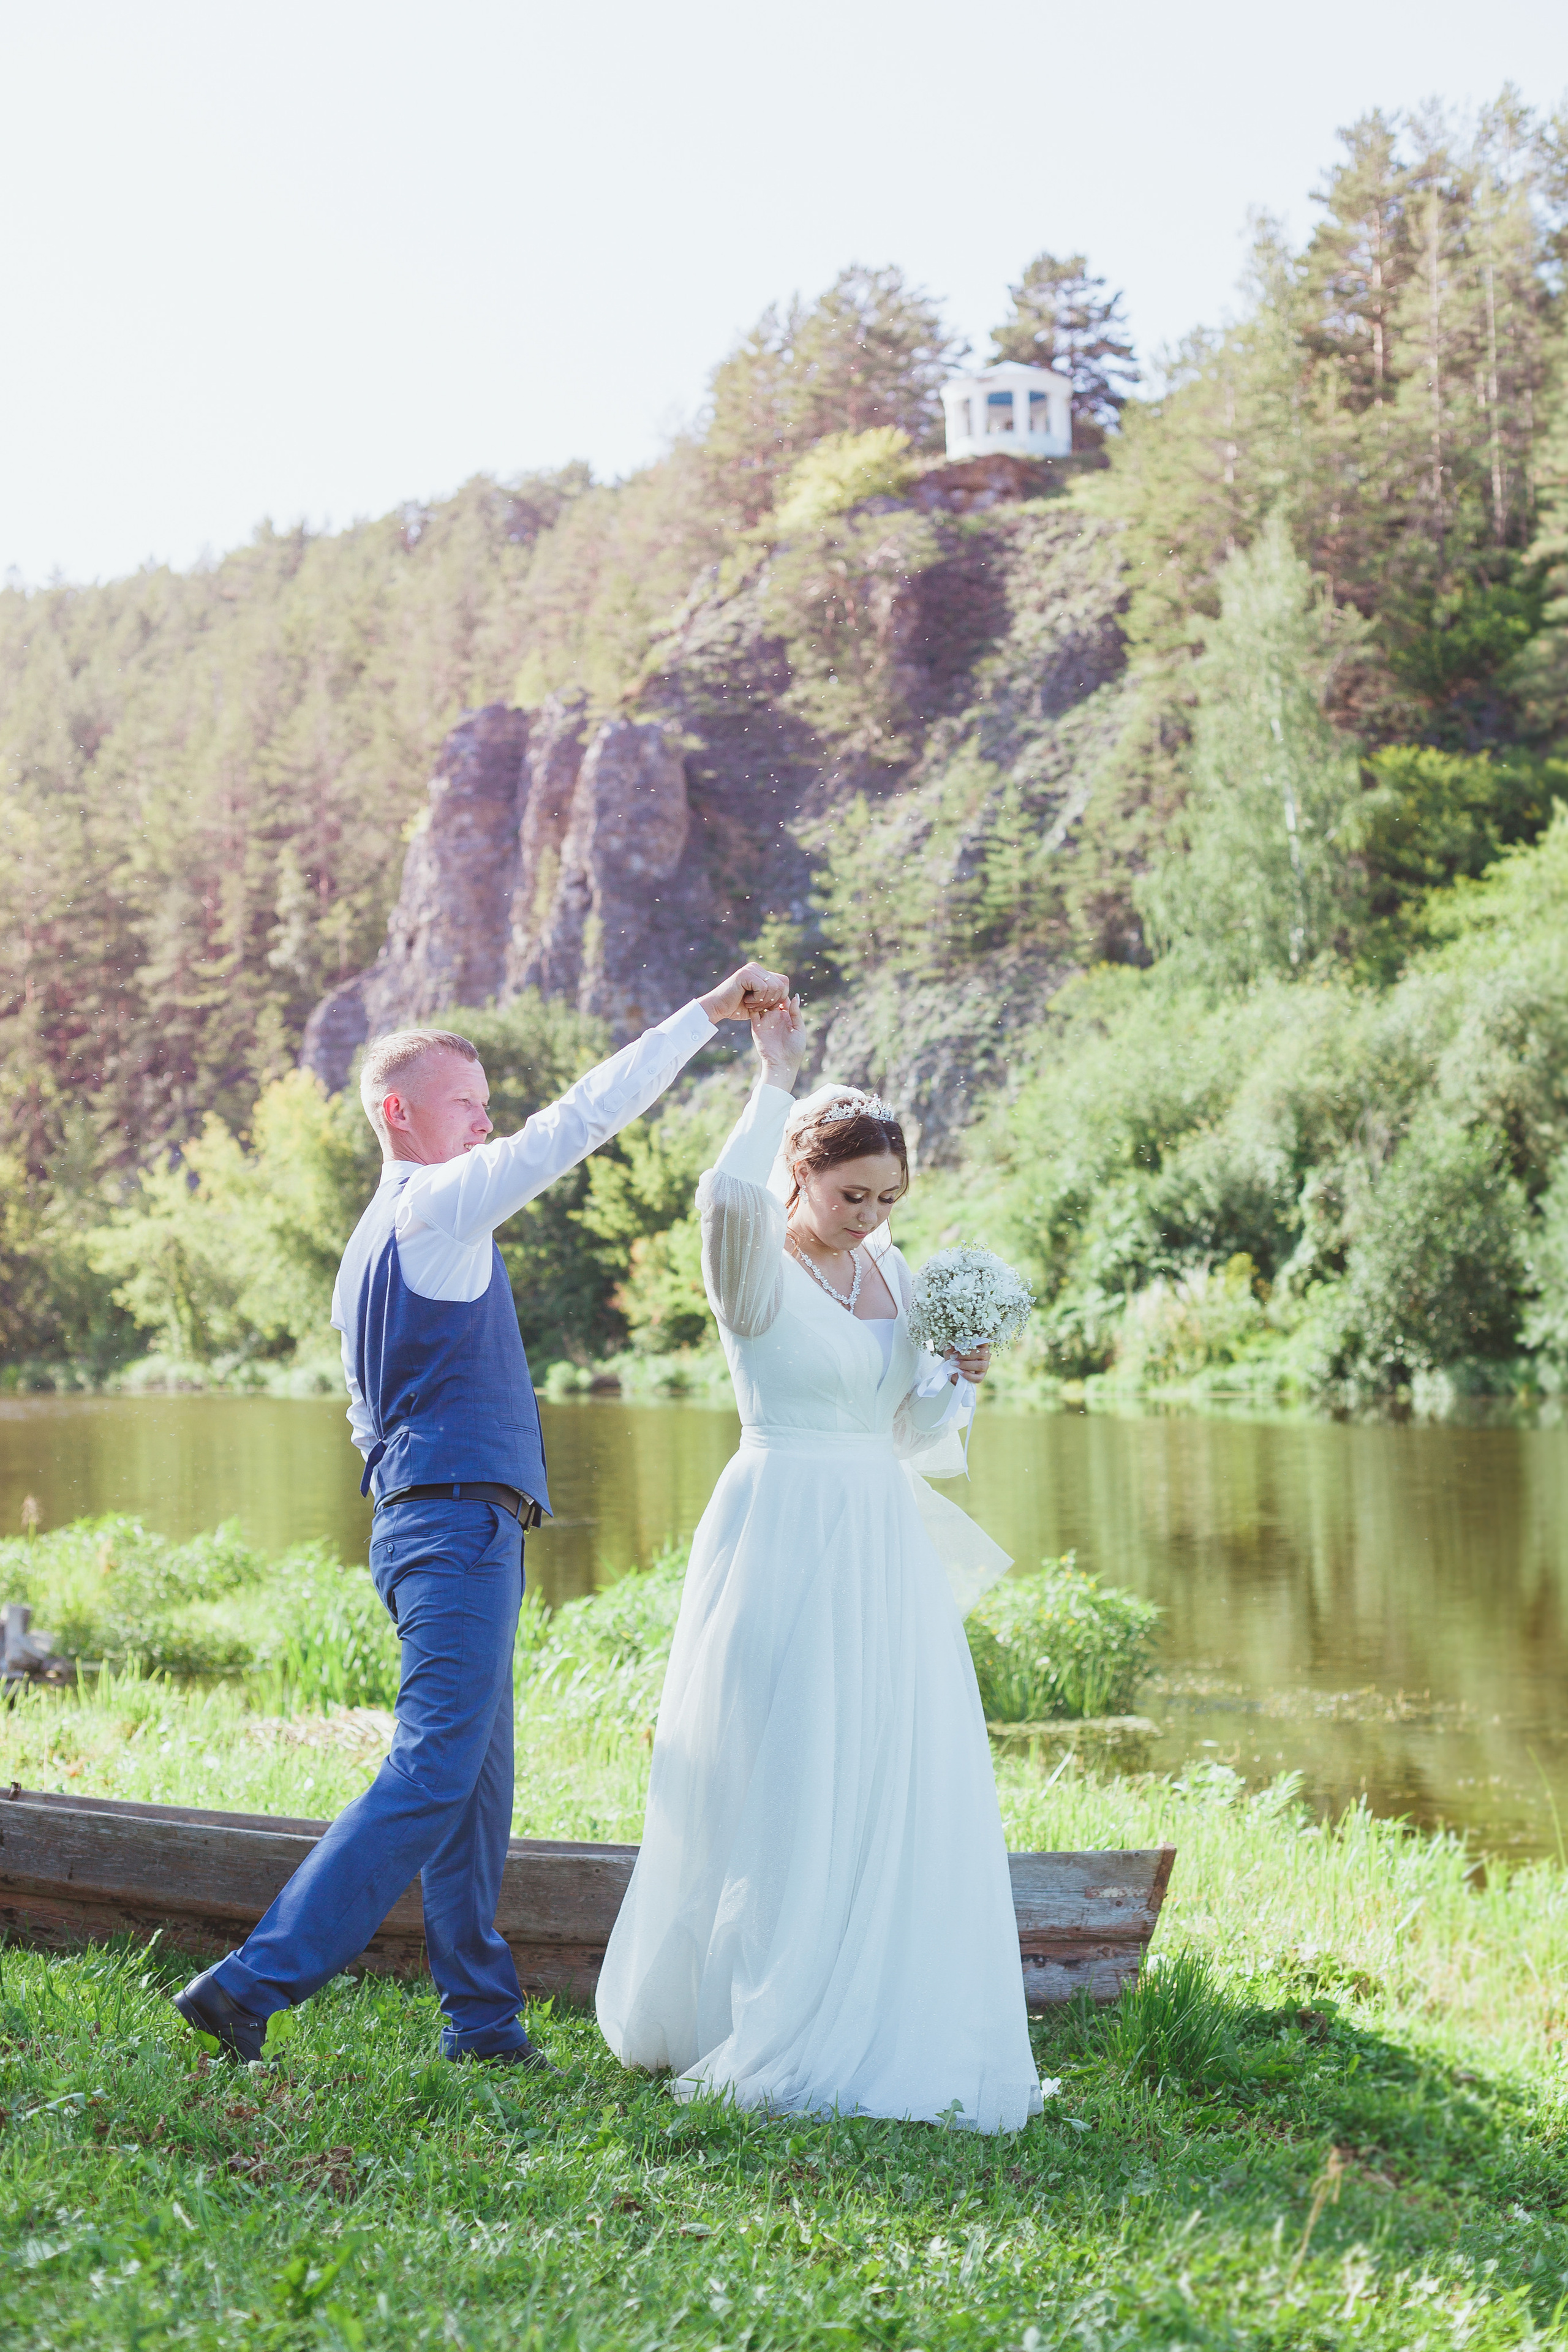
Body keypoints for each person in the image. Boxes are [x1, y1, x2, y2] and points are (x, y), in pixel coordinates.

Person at [171, 959, 790, 2070]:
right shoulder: (437, 1207)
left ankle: (483, 2023)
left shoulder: (369, 1243)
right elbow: (580, 1121)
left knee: (474, 1787)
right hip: (454, 1529)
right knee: (434, 1771)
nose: (487, 1120)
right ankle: (249, 1985)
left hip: (438, 1525)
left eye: (487, 1103)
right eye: (467, 1102)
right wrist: (705, 1013)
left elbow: (368, 1415)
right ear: (399, 1113)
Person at [596, 1000, 1042, 2132]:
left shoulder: (891, 1271)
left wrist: (959, 1380)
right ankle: (752, 2003)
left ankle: (878, 1995)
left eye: (889, 1198)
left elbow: (907, 1431)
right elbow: (724, 1193)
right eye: (852, 1196)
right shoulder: (752, 1267)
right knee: (779, 1759)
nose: (871, 1216)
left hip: (879, 1536)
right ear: (799, 1176)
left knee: (882, 1757)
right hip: (781, 1519)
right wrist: (777, 1080)